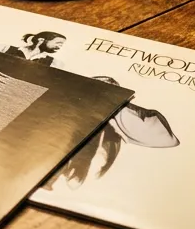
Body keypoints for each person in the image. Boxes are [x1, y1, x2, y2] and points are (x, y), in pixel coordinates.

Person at [44, 76, 179, 190]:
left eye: (103, 94)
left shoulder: (114, 123)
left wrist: (118, 105)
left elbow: (167, 139)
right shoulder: (61, 113)